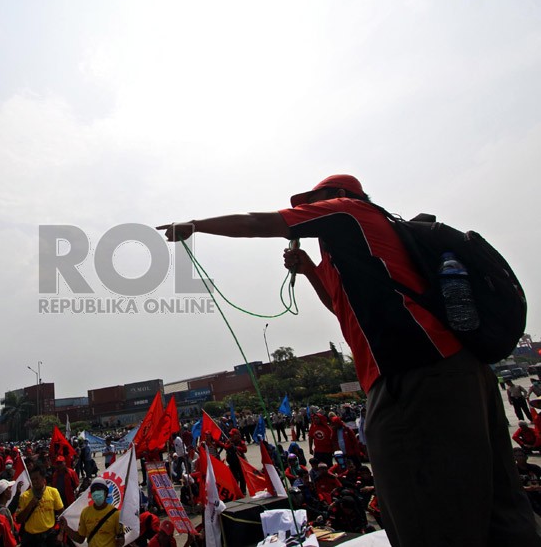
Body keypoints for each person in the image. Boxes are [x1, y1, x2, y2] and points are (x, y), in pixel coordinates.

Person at [158, 174, 541, 546]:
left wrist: (195, 225)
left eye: (313, 202)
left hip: (416, 375)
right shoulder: (353, 249)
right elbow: (339, 308)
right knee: (498, 506)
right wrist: (308, 269)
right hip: (454, 371)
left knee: (425, 513)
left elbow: (260, 221)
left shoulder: (349, 213)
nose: (308, 212)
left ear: (340, 194)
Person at [60, 477, 124, 547]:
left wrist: (121, 540)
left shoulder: (116, 514)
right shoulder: (85, 512)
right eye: (93, 490)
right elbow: (80, 539)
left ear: (105, 493)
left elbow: (121, 538)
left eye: (99, 489)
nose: (96, 492)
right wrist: (66, 527)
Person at [15, 465, 63, 546]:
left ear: (43, 479)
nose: (34, 482)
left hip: (49, 538)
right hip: (31, 539)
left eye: (37, 478)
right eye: (32, 479)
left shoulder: (53, 492)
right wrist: (30, 505)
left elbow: (62, 514)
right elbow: (19, 520)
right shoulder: (25, 496)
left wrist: (61, 534)